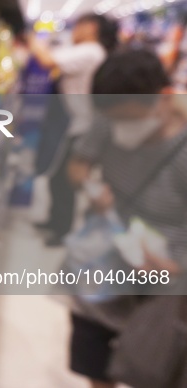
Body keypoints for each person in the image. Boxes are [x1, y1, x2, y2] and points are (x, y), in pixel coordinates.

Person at [67, 48, 187, 388]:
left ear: (163, 99)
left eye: (131, 119)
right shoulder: (109, 115)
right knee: (92, 352)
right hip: (104, 257)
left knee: (149, 360)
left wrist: (175, 268)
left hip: (163, 283)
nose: (122, 129)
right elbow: (77, 165)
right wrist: (90, 188)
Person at [29, 14, 118, 246]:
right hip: (77, 123)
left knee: (64, 178)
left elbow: (47, 60)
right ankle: (55, 221)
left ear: (91, 28)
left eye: (79, 26)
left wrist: (29, 35)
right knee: (57, 175)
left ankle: (62, 229)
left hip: (83, 126)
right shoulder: (89, 50)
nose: (74, 31)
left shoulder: (90, 50)